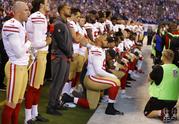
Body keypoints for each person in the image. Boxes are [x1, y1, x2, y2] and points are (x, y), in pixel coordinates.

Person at [61, 36, 124, 115]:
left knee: (92, 105)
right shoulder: (97, 51)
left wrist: (87, 44)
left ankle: (68, 98)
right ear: (98, 41)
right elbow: (98, 71)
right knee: (115, 82)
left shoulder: (97, 49)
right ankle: (110, 108)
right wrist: (113, 77)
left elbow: (91, 46)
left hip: (92, 78)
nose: (107, 42)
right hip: (92, 78)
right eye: (104, 40)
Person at [1, 1, 31, 124]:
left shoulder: (20, 24)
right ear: (18, 12)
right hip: (15, 66)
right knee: (11, 102)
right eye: (26, 10)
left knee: (18, 100)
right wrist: (29, 43)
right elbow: (18, 52)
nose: (28, 12)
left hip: (22, 66)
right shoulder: (11, 25)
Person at [25, 0, 51, 123]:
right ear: (41, 4)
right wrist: (47, 42)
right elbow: (36, 43)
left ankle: (34, 113)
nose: (49, 4)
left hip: (41, 53)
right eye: (46, 2)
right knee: (33, 86)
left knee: (38, 85)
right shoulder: (38, 17)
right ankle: (28, 117)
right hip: (37, 53)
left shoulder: (41, 17)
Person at [47, 3, 73, 115]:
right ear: (61, 10)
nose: (70, 10)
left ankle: (56, 102)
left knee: (62, 82)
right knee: (57, 82)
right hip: (59, 56)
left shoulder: (65, 23)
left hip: (65, 57)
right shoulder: (58, 23)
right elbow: (61, 43)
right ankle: (51, 106)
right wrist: (70, 53)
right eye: (68, 8)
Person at [144, 49, 179, 123]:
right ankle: (171, 112)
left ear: (163, 57)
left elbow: (148, 79)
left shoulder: (159, 68)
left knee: (147, 112)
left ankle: (161, 112)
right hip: (173, 101)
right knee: (168, 106)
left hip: (159, 100)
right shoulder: (177, 69)